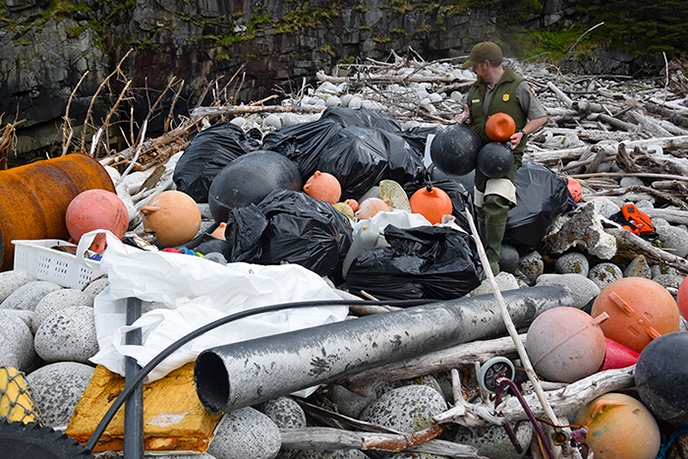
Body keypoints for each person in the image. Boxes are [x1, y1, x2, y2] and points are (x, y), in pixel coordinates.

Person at [458, 41, 548, 275]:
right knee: (479, 206)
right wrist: (465, 120)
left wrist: (522, 133)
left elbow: (540, 117)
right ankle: (479, 253)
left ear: (487, 64)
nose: (472, 71)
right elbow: (469, 115)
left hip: (506, 155)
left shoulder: (518, 86)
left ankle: (492, 263)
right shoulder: (475, 90)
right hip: (480, 155)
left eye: (475, 66)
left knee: (495, 202)